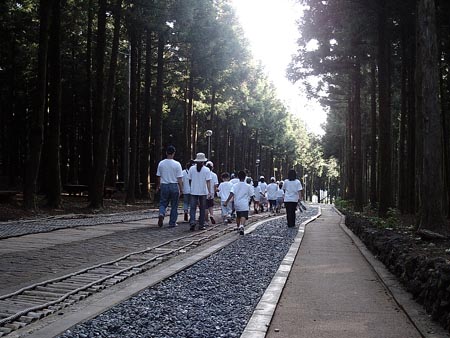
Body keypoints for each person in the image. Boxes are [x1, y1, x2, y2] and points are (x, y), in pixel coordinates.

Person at [155, 145, 183, 228]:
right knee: (174, 205)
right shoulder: (177, 164)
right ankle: (172, 222)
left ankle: (161, 213)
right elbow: (179, 178)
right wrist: (181, 189)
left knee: (163, 203)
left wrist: (158, 186)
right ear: (174, 153)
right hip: (174, 185)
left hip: (164, 185)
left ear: (166, 152)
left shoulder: (161, 163)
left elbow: (158, 176)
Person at [188, 153, 212, 231]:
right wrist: (209, 191)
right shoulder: (206, 170)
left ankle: (192, 222)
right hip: (203, 191)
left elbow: (190, 180)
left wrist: (191, 187)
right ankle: (201, 224)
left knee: (192, 208)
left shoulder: (191, 169)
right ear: (203, 161)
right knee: (202, 208)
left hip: (193, 191)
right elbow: (208, 182)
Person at [224, 170, 253, 235]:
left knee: (238, 215)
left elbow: (231, 193)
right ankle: (242, 226)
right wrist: (250, 201)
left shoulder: (235, 185)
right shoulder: (248, 186)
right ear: (245, 177)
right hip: (244, 203)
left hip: (237, 203)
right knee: (244, 215)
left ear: (238, 177)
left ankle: (238, 227)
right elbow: (251, 195)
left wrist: (226, 201)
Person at [205, 161, 219, 225]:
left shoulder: (204, 173)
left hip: (204, 192)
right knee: (211, 205)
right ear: (212, 167)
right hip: (211, 192)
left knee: (205, 206)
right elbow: (215, 184)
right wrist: (214, 191)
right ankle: (211, 215)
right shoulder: (214, 175)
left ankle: (206, 220)